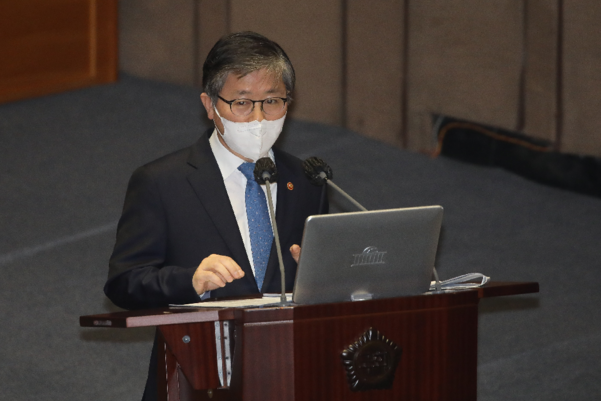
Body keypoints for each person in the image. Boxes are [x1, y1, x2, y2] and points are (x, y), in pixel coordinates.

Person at [103, 31, 327, 400]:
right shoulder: (162, 182)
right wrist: (191, 281)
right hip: (198, 371)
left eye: (272, 101)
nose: (258, 118)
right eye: (241, 103)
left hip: (287, 369)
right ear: (209, 105)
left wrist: (320, 274)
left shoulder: (307, 180)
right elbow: (124, 282)